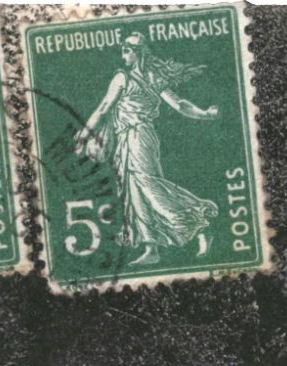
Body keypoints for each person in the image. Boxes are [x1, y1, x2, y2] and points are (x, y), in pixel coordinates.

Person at [74, 33, 220, 266]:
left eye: (126, 50)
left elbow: (103, 108)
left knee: (147, 185)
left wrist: (83, 135)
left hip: (138, 138)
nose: (123, 55)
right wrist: (203, 114)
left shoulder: (124, 78)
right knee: (133, 190)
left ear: (137, 52)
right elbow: (180, 105)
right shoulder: (153, 78)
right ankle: (151, 248)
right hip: (131, 138)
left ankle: (200, 220)